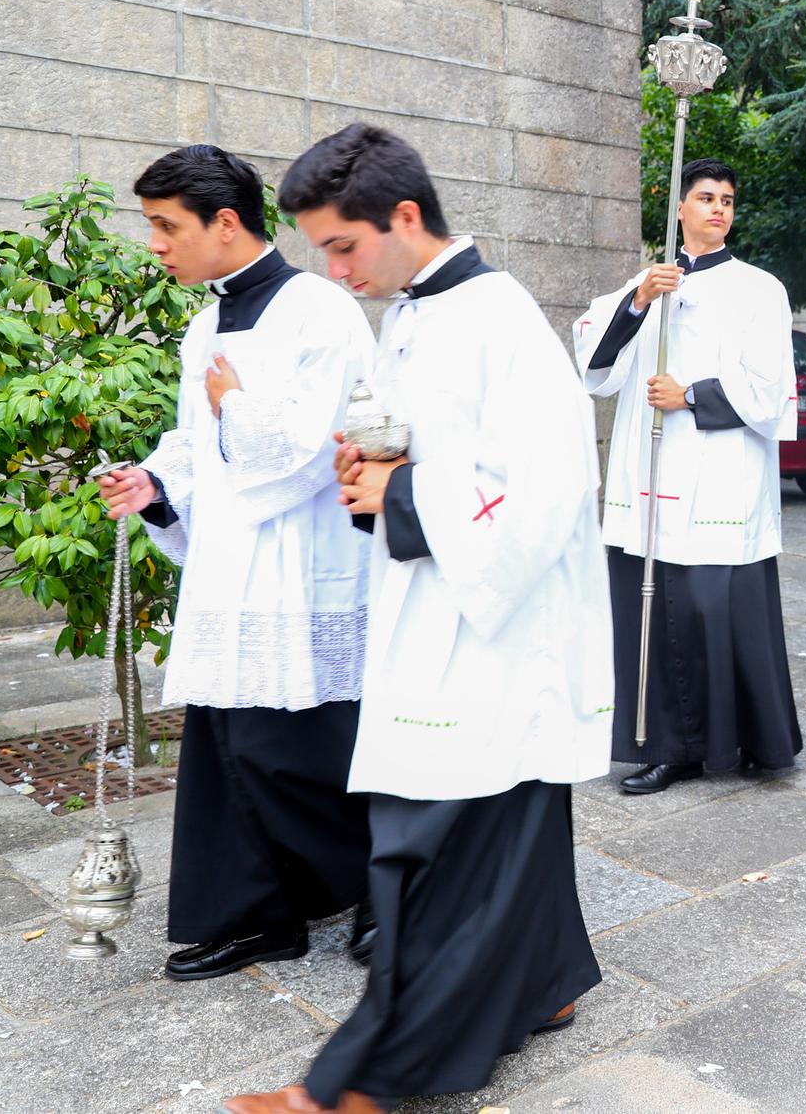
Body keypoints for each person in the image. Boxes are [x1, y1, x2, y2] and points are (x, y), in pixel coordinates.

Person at [226, 123, 614, 1113]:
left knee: (427, 854)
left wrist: (400, 495)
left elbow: (545, 491)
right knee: (491, 841)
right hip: (433, 615)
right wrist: (366, 472)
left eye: (343, 245)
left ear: (405, 217)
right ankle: (546, 985)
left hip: (492, 638)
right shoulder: (407, 315)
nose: (332, 269)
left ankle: (358, 1082)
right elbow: (409, 448)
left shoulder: (500, 320)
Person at [98, 144, 375, 984]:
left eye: (166, 226)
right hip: (232, 565)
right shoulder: (206, 322)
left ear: (225, 222)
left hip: (303, 560)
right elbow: (194, 442)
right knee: (231, 747)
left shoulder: (320, 311)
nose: (156, 245)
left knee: (307, 748)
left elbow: (316, 448)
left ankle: (378, 891)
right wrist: (154, 482)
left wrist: (234, 407)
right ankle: (260, 914)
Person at [574, 158, 802, 797]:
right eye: (705, 197)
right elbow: (594, 364)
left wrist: (693, 396)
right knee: (650, 607)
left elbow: (772, 386)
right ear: (679, 208)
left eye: (727, 199)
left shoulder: (761, 289)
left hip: (719, 473)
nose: (719, 208)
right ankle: (666, 746)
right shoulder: (644, 285)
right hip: (650, 475)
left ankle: (748, 737)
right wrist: (640, 301)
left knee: (711, 608)